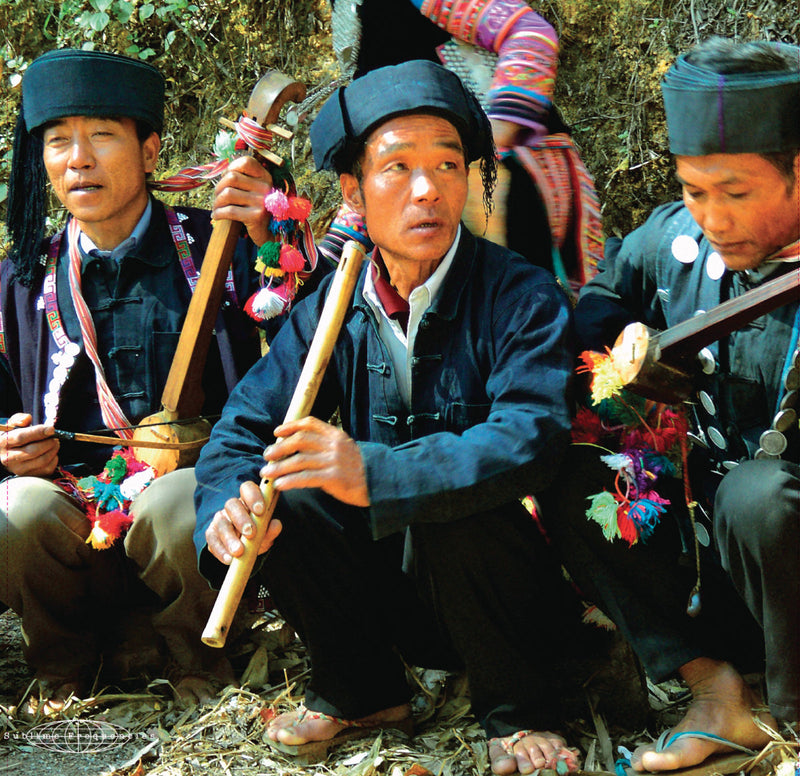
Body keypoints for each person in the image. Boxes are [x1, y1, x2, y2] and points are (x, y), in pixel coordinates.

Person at [195, 59, 592, 776]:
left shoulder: (520, 295)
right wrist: (226, 503)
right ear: (353, 191)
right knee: (292, 483)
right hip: (397, 601)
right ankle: (363, 690)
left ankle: (519, 710)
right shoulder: (331, 307)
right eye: (397, 167)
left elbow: (530, 437)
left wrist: (376, 473)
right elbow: (243, 426)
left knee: (451, 498)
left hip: (510, 594)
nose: (426, 190)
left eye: (447, 166)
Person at [0, 48, 316, 710]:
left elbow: (309, 345)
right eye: (59, 142)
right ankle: (63, 660)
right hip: (75, 511)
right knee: (13, 510)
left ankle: (197, 654)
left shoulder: (217, 245)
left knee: (175, 505)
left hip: (192, 506)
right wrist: (8, 448)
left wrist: (270, 236)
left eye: (102, 137)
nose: (78, 159)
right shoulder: (21, 280)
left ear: (150, 152)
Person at [540, 37, 800, 773]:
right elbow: (595, 307)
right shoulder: (671, 242)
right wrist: (628, 337)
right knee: (567, 470)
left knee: (759, 497)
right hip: (701, 563)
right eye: (693, 190)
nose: (711, 216)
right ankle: (714, 692)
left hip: (791, 551)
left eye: (735, 192)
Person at [318, 0, 603, 298]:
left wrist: (490, 141)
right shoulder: (350, 9)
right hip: (437, 186)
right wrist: (335, 247)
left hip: (513, 186)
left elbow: (530, 36)